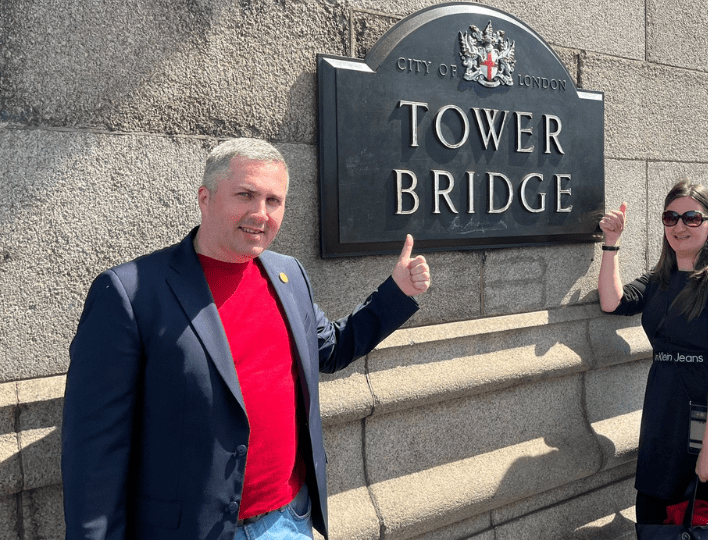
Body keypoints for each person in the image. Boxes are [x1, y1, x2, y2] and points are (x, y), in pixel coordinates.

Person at [61, 138, 431, 540]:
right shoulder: (130, 292)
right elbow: (94, 452)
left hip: (289, 519)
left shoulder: (288, 275)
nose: (261, 213)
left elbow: (331, 349)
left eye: (274, 200)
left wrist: (396, 294)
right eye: (246, 195)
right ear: (205, 198)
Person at [597, 179, 708, 528]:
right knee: (656, 513)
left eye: (691, 217)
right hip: (668, 413)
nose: (679, 226)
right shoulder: (661, 278)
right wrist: (611, 245)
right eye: (670, 217)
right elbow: (613, 302)